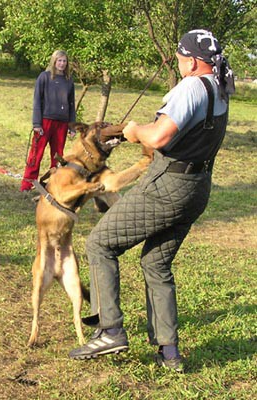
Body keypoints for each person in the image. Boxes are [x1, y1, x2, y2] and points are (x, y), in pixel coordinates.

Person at [69, 29, 235, 372]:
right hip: (198, 186)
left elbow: (159, 136)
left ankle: (110, 329)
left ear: (190, 60)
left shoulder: (191, 86)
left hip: (168, 185)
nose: (177, 63)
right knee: (156, 264)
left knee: (100, 243)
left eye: (179, 58)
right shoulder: (220, 87)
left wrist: (134, 130)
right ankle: (168, 352)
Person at [20, 50, 76, 193]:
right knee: (36, 154)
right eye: (59, 61)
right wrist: (36, 124)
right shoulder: (44, 77)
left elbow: (71, 104)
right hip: (45, 121)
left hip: (62, 123)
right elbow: (37, 100)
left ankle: (54, 185)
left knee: (57, 156)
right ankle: (27, 185)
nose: (62, 64)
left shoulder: (69, 80)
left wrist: (72, 126)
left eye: (64, 61)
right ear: (54, 61)